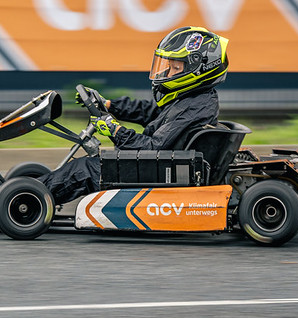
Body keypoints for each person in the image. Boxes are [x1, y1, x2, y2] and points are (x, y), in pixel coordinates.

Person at [38, 26, 230, 205]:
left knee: (84, 169)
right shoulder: (194, 98)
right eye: (170, 66)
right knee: (82, 167)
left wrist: (116, 131)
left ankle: (32, 197)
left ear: (199, 70)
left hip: (157, 172)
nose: (169, 73)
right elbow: (151, 113)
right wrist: (109, 105)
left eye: (176, 68)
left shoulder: (195, 107)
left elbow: (153, 148)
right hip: (158, 164)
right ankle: (34, 188)